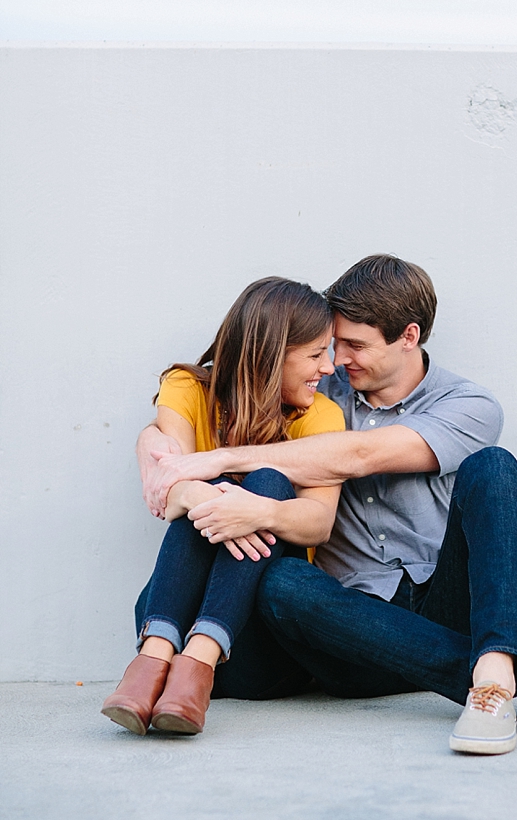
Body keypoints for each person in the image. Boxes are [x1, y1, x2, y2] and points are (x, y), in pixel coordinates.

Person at [142, 254, 517, 755]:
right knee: (283, 583)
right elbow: (204, 396)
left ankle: (495, 667)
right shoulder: (314, 390)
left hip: (442, 600)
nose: (338, 359)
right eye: (333, 345)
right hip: (345, 628)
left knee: (495, 467)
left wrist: (212, 460)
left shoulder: (469, 406)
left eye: (356, 345)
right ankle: (510, 672)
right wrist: (157, 452)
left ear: (409, 336)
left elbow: (361, 455)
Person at [104, 277, 345, 735]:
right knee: (204, 478)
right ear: (272, 353)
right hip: (173, 620)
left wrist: (255, 510)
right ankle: (155, 664)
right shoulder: (187, 388)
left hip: (262, 651)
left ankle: (192, 661)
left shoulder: (321, 416)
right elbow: (168, 483)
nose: (328, 367)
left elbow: (318, 524)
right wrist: (202, 493)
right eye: (316, 354)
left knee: (269, 481)